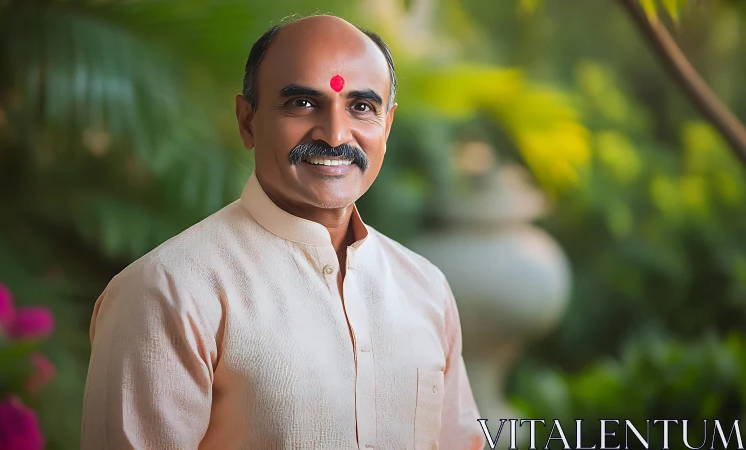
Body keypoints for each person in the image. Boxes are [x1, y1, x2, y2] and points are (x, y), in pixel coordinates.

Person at [81, 14, 485, 450]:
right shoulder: (170, 291)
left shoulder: (425, 288)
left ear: (386, 126)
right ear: (247, 121)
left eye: (361, 107)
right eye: (303, 103)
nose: (335, 135)